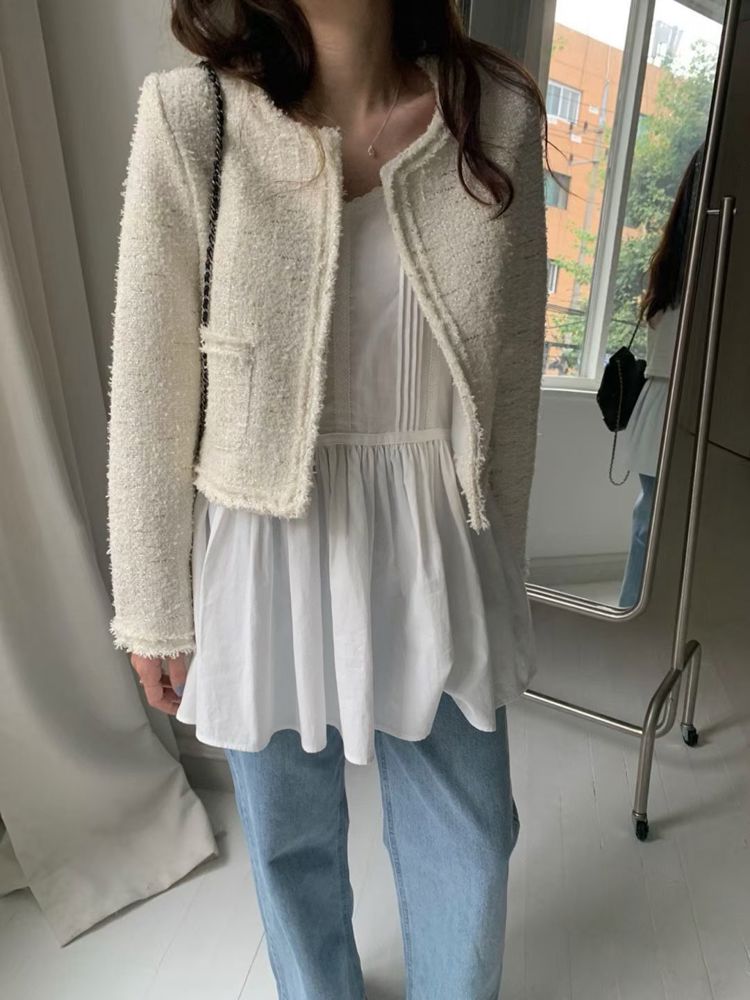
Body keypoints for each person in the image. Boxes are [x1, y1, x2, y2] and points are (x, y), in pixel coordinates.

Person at [105, 1, 548, 996]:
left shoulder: (496, 113)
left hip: (436, 532)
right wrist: (153, 604)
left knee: (472, 833)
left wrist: (503, 565)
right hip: (263, 537)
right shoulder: (194, 118)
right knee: (288, 839)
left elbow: (512, 376)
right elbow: (149, 381)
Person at [618, 147, 703, 608]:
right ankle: (633, 609)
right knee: (650, 521)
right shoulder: (678, 264)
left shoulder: (674, 262)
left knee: (652, 522)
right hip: (668, 399)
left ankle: (639, 609)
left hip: (673, 403)